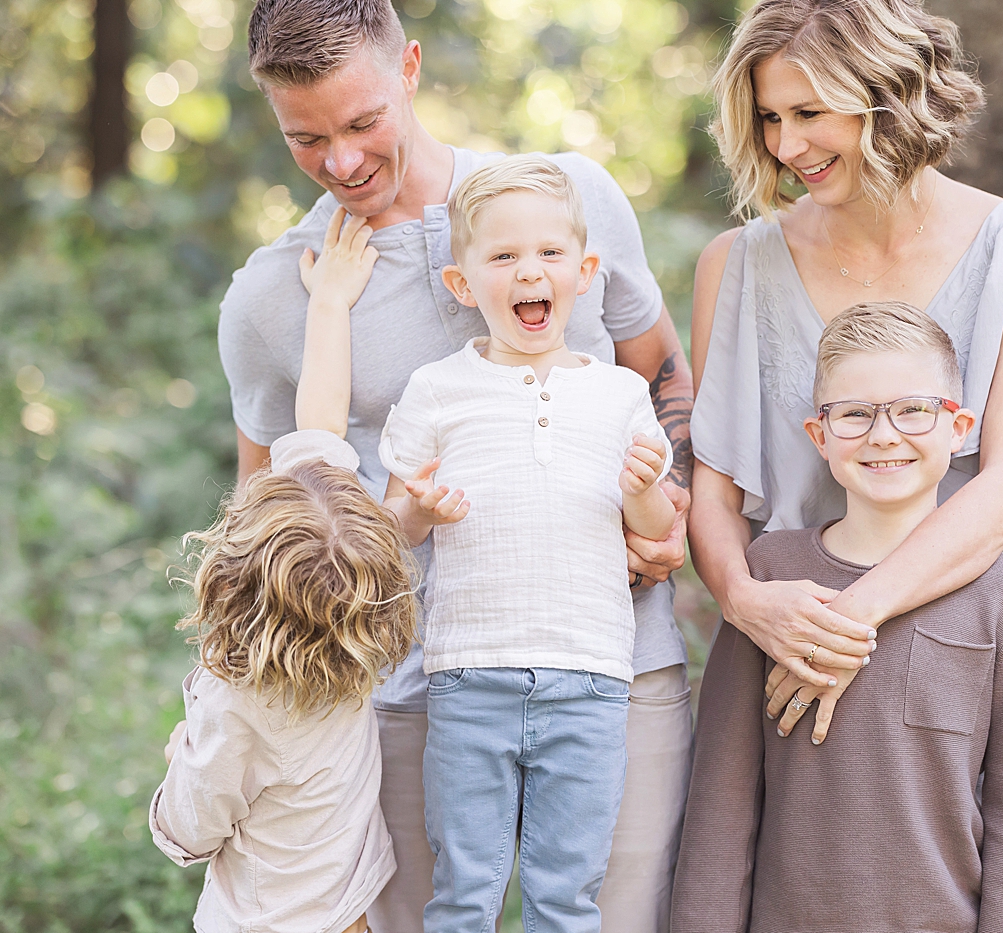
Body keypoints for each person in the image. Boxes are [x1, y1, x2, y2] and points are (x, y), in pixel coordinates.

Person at [222, 2, 696, 929]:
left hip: (614, 670)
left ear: (410, 71)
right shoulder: (276, 298)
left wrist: (665, 502)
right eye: (305, 139)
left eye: (362, 125)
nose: (344, 163)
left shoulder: (569, 197)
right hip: (409, 694)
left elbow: (665, 375)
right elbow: (264, 511)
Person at [687, 0, 1003, 741]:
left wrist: (847, 624)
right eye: (771, 118)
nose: (788, 145)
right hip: (779, 642)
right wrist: (743, 601)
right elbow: (715, 492)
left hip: (947, 635)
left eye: (809, 112)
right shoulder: (733, 266)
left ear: (885, 95)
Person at [672, 302, 1003, 932]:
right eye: (855, 414)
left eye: (913, 409)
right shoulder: (772, 575)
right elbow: (721, 808)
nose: (884, 434)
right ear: (820, 436)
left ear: (960, 427)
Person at [359, 154, 671, 932]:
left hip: (593, 676)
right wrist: (420, 512)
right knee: (464, 892)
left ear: (585, 271)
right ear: (463, 284)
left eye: (548, 254)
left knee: (565, 897)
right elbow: (391, 522)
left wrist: (641, 493)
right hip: (468, 675)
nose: (529, 271)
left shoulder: (621, 394)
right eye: (502, 257)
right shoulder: (438, 389)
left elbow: (661, 535)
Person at [149, 211, 418, 933]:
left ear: (233, 571)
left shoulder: (234, 708)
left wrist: (185, 749)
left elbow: (188, 830)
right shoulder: (353, 637)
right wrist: (330, 303)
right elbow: (322, 425)